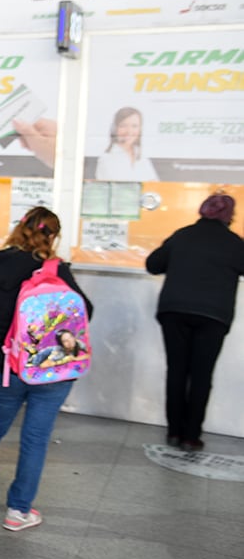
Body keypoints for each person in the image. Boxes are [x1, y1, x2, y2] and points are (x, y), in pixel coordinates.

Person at [0, 207, 93, 531]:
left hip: (8, 364)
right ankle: (18, 511)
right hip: (53, 370)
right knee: (35, 438)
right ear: (52, 235)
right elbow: (85, 310)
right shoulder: (56, 268)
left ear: (20, 228)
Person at [145, 193, 244, 451]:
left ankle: (174, 433)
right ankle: (191, 436)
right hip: (213, 316)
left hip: (174, 311)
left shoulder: (182, 235)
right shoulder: (235, 243)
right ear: (229, 215)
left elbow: (153, 264)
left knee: (177, 371)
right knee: (201, 375)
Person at [95, 107, 157, 182]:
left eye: (134, 126)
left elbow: (155, 185)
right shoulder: (107, 159)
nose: (129, 131)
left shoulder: (142, 157)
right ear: (115, 128)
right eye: (123, 126)